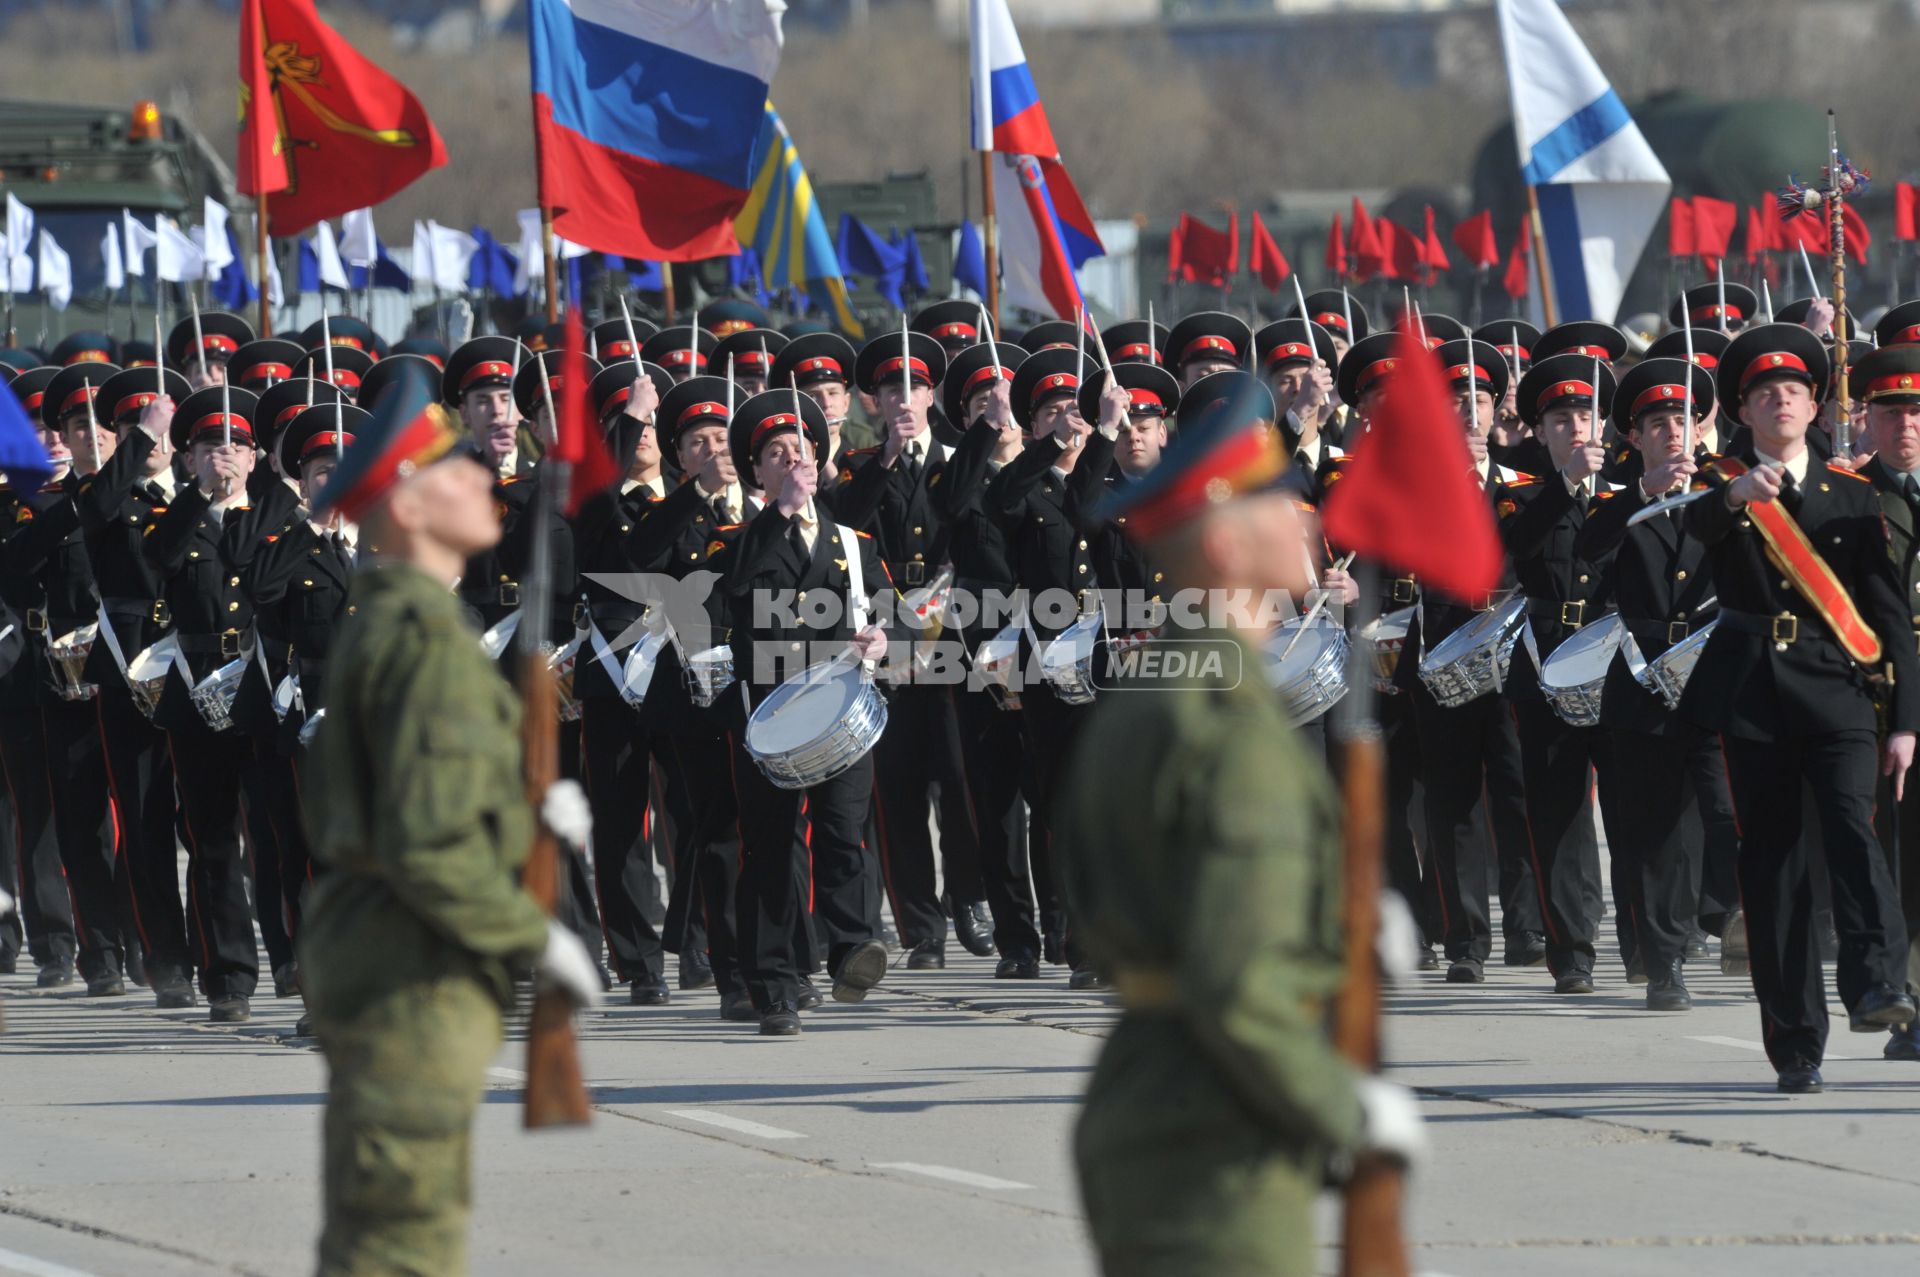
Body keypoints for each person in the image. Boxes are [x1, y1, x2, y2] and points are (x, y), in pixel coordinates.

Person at [1054, 382, 1424, 1276]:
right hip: (1217, 1136)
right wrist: (1347, 1109)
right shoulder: (1228, 728)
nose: (1305, 520)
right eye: (1278, 506)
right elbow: (1241, 992)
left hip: (1157, 1100)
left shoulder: (1157, 699)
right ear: (1223, 543)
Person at [299, 365, 601, 1276]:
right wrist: (535, 937)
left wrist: (522, 806)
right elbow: (426, 844)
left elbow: (410, 794)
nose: (484, 482)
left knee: (386, 1232)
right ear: (412, 506)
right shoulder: (423, 639)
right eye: (456, 472)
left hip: (402, 965)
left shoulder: (398, 622)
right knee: (403, 1242)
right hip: (412, 977)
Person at [1681, 323, 1920, 1093]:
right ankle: (1795, 1041)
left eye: (1792, 389)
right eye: (1762, 392)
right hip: (1751, 692)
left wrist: (1908, 719)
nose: (1779, 400)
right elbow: (1689, 536)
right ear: (1743, 412)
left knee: (1855, 832)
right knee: (1775, 866)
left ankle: (1879, 983)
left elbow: (1888, 617)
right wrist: (1733, 497)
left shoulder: (1853, 494)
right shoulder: (1719, 488)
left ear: (1816, 405)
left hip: (1837, 690)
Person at [720, 390, 891, 1035]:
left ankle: (852, 948)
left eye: (802, 450)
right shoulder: (735, 540)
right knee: (769, 850)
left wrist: (882, 637)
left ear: (820, 460)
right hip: (766, 715)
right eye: (776, 454)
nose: (793, 460)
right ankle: (774, 986)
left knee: (844, 834)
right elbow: (732, 599)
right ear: (757, 471)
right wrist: (779, 515)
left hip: (838, 711)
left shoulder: (854, 541)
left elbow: (891, 610)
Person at [1575, 356, 1733, 1010]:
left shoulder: (1727, 493)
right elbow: (1587, 557)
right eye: (1659, 423)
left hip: (1714, 680)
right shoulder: (1618, 504)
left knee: (1725, 810)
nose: (1673, 433)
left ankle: (1722, 914)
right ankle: (1665, 961)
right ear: (1634, 437)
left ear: (1701, 429)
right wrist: (1643, 496)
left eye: (1684, 420)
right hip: (1641, 685)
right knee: (1656, 830)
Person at [1502, 351, 1627, 994]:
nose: (1575, 428)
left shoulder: (1627, 488)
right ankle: (1571, 952)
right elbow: (1514, 549)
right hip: (1545, 661)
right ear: (1541, 430)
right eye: (1561, 418)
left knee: (1635, 806)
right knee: (1559, 812)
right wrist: (1564, 486)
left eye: (1585, 415)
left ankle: (1644, 943)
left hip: (1615, 657)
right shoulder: (1518, 491)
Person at [1848, 343, 1920, 1060]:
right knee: (1899, 855)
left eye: (1918, 410)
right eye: (1893, 410)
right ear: (1865, 418)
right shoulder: (1851, 495)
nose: (1908, 424)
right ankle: (1906, 999)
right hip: (1888, 697)